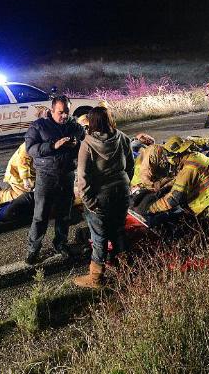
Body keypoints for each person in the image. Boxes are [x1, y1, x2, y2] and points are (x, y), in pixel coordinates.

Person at [73, 107, 134, 288]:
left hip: (101, 195)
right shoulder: (122, 137)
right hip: (121, 192)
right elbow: (130, 166)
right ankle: (126, 270)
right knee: (119, 230)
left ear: (91, 122)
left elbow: (82, 177)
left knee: (99, 236)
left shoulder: (87, 144)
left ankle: (96, 278)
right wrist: (124, 185)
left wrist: (89, 202)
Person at [24, 95, 85, 264]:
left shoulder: (74, 126)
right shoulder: (38, 126)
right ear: (52, 111)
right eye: (60, 112)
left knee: (64, 214)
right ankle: (33, 249)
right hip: (46, 176)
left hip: (67, 175)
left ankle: (61, 243)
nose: (64, 115)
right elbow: (30, 149)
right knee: (40, 215)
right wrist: (53, 145)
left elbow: (84, 143)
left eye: (67, 111)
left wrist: (76, 144)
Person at [147, 136, 209, 239]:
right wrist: (166, 186)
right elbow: (181, 179)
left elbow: (174, 198)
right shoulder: (195, 157)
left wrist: (153, 208)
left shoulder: (189, 168)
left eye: (169, 155)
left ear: (176, 155)